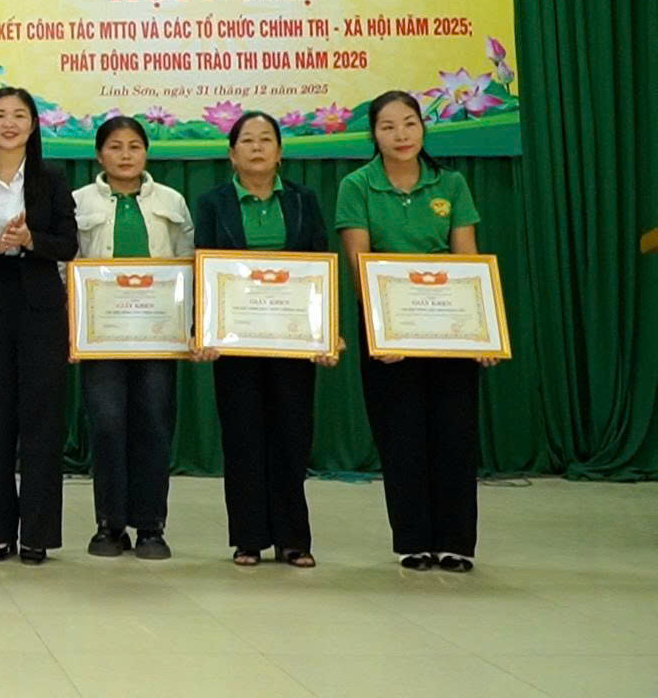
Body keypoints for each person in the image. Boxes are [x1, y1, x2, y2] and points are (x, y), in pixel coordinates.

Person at [337, 90, 489, 573]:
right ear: (373, 135)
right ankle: (413, 541)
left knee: (455, 433)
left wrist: (482, 332)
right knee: (400, 435)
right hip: (389, 329)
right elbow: (359, 264)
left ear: (423, 127)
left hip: (450, 327)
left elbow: (468, 262)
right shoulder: (356, 186)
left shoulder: (452, 184)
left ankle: (457, 542)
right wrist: (382, 331)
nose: (400, 135)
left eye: (409, 123)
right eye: (388, 127)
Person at [192, 111, 340, 568]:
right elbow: (203, 264)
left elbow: (320, 264)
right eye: (247, 140)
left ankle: (294, 538)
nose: (257, 147)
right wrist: (204, 328)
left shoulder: (303, 200)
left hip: (292, 338)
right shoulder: (213, 202)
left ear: (280, 151)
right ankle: (249, 538)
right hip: (234, 340)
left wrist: (326, 331)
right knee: (242, 436)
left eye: (266, 140)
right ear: (231, 153)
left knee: (292, 435)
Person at [0, 87, 78, 565]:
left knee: (43, 420)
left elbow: (68, 243)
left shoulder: (52, 179)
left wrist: (30, 240)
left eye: (19, 115)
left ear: (33, 125)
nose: (9, 123)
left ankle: (37, 534)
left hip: (41, 309)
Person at [72, 115, 195, 560]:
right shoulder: (79, 201)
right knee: (107, 425)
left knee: (154, 424)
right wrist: (73, 329)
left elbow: (188, 262)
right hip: (101, 336)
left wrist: (188, 325)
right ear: (99, 155)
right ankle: (109, 525)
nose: (125, 155)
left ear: (146, 153)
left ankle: (150, 526)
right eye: (115, 147)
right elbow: (66, 267)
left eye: (134, 146)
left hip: (158, 334)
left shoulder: (171, 201)